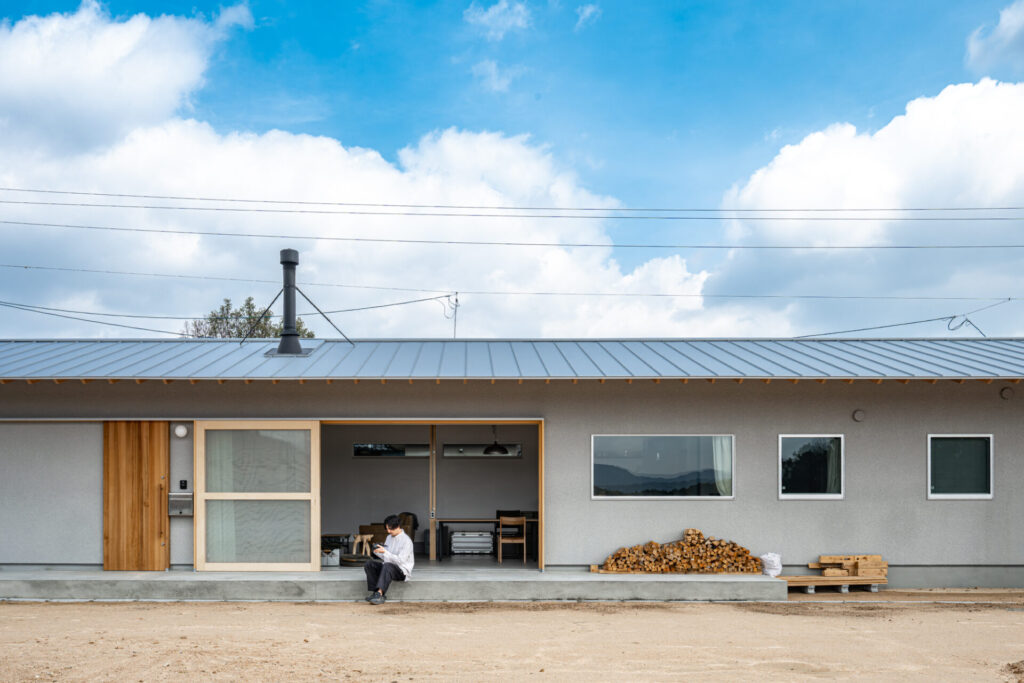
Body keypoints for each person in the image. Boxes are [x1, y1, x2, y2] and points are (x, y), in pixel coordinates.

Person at [363, 514, 414, 605]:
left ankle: (379, 594)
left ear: (398, 526)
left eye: (390, 529)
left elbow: (401, 561)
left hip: (402, 570)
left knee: (387, 566)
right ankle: (376, 593)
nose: (388, 531)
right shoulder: (389, 537)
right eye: (387, 529)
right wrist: (377, 551)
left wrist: (385, 552)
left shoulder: (406, 541)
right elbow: (386, 556)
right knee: (369, 564)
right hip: (388, 568)